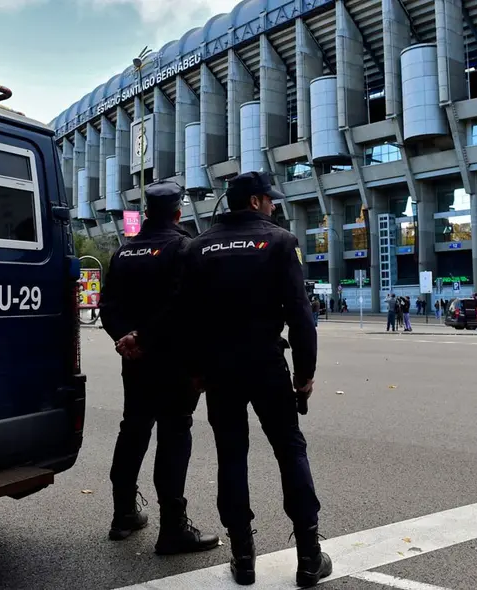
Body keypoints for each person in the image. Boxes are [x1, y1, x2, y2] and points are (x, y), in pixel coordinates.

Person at [176, 171, 332, 587]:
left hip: (219, 368)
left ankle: (243, 558)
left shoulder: (197, 246)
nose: (275, 206)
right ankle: (309, 556)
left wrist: (195, 371)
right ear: (257, 201)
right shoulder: (279, 241)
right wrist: (305, 375)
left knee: (232, 457)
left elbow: (186, 318)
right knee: (289, 450)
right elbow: (300, 314)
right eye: (270, 199)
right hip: (266, 363)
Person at [98, 180, 220, 555]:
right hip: (174, 362)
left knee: (132, 431)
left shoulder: (124, 252)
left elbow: (108, 307)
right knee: (173, 436)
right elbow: (187, 309)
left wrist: (126, 339)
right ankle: (172, 528)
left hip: (135, 364)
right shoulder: (184, 248)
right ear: (179, 213)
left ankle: (123, 516)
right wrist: (148, 340)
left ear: (147, 213)